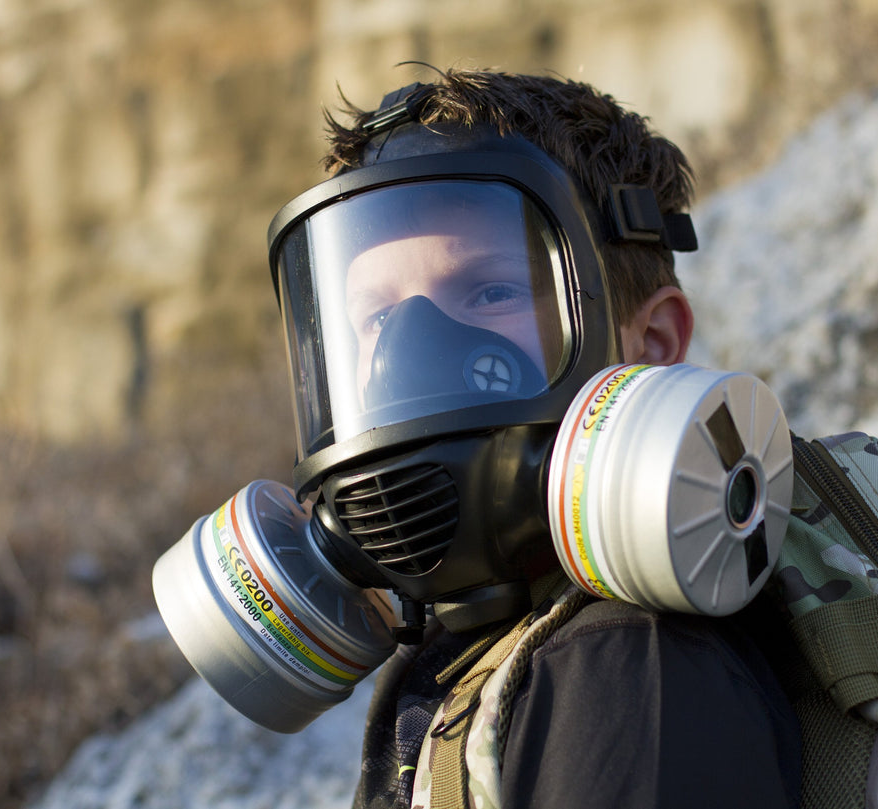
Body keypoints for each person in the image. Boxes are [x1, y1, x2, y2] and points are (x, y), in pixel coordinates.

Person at [263, 69, 801, 809]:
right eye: (378, 319)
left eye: (489, 291)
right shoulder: (478, 658)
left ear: (652, 342)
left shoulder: (630, 664)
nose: (407, 359)